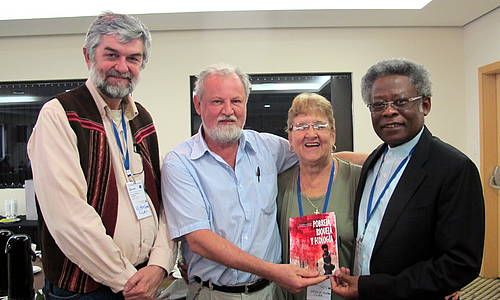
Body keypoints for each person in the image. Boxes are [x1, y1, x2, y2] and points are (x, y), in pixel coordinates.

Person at [28, 12, 175, 299]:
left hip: (143, 279)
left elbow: (161, 201)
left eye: (133, 58)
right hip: (86, 291)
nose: (122, 67)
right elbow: (69, 220)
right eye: (112, 55)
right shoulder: (60, 115)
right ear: (88, 56)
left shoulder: (141, 118)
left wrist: (159, 264)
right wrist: (127, 280)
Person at [162, 64, 328, 299]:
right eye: (217, 101)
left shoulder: (268, 148)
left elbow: (315, 153)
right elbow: (200, 240)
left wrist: (377, 159)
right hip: (214, 294)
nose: (228, 111)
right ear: (198, 105)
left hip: (271, 293)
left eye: (236, 101)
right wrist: (274, 271)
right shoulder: (180, 163)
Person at [331, 58, 485, 300]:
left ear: (425, 105)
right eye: (378, 104)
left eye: (401, 101)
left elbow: (460, 264)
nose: (389, 111)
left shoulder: (454, 169)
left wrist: (373, 287)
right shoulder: (374, 160)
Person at [275, 93, 361, 300]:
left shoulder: (358, 179)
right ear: (290, 137)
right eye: (301, 127)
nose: (310, 134)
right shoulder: (278, 185)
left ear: (332, 134)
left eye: (319, 126)